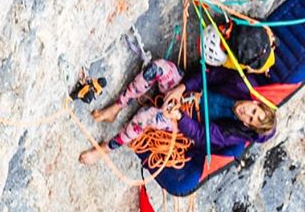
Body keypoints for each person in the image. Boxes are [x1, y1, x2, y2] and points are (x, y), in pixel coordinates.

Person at [79, 58, 277, 166]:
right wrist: (181, 88)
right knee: (158, 67)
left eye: (250, 119)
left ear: (247, 125)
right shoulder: (243, 85)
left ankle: (105, 149)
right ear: (256, 103)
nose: (246, 113)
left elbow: (201, 135)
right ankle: (117, 106)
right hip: (186, 92)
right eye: (253, 111)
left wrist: (179, 117)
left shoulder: (235, 133)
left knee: (145, 116)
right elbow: (210, 75)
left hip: (184, 122)